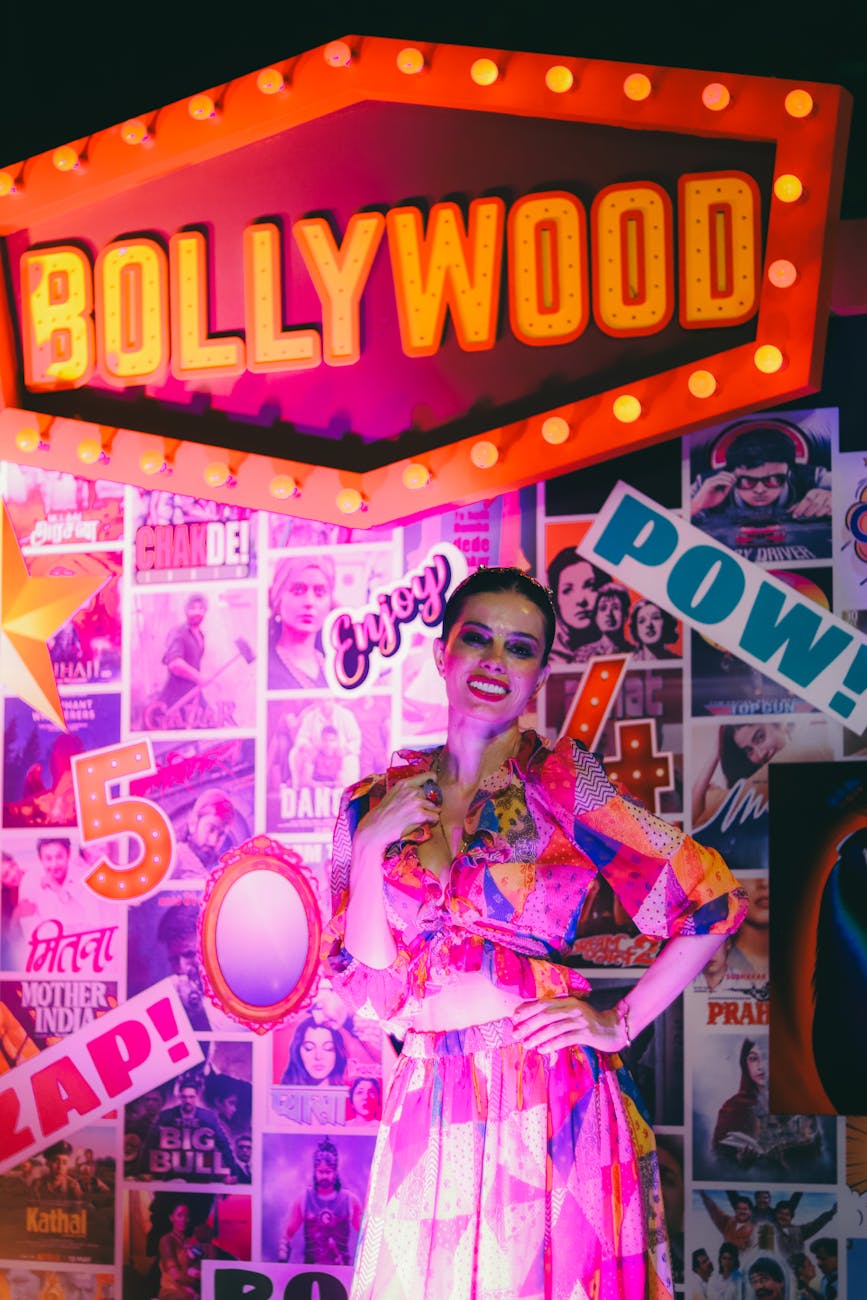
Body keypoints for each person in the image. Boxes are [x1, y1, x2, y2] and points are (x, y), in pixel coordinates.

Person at [323, 566, 746, 1298]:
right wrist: (368, 852)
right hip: (425, 1088)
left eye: (518, 648)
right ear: (441, 652)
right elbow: (365, 983)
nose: (494, 661)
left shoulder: (560, 783)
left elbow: (711, 902)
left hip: (543, 1089)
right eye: (476, 638)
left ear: (540, 673)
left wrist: (618, 1022)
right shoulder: (371, 803)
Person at [690, 422, 831, 526]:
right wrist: (696, 505)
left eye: (774, 480)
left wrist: (832, 498)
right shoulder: (705, 484)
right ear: (731, 474)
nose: (760, 490)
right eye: (747, 481)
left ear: (788, 472)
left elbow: (849, 492)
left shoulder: (814, 476)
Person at [279, 1137, 363, 1266]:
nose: (324, 1176)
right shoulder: (303, 1199)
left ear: (335, 1173)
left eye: (328, 1172)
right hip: (310, 1272)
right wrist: (282, 1261)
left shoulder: (350, 1201)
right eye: (321, 1171)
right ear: (315, 1171)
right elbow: (287, 1235)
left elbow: (366, 1236)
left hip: (342, 1272)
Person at [267, 556, 335, 689]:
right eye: (298, 590)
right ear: (278, 600)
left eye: (319, 592)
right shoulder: (265, 669)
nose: (309, 602)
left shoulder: (336, 667)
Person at [546, 547, 607, 663]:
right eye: (568, 590)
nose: (581, 600)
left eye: (590, 586)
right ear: (556, 599)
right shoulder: (546, 658)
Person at [157, 593, 209, 720]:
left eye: (200, 608)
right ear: (186, 610)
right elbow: (174, 664)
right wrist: (198, 677)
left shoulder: (200, 635)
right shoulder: (178, 632)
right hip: (176, 698)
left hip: (194, 694)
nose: (197, 612)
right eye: (193, 608)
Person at [172, 789, 237, 880]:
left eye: (221, 834)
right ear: (193, 823)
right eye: (211, 829)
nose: (213, 841)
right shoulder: (173, 859)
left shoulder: (219, 868)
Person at [280, 1017, 348, 1086]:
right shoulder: (285, 1091)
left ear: (338, 1053)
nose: (318, 1056)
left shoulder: (351, 1090)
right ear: (297, 1052)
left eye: (328, 1048)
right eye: (309, 1048)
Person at [157, 1201, 199, 1300]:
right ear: (171, 1218)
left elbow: (195, 1270)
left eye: (186, 1216)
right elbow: (175, 1275)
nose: (183, 1219)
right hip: (171, 1292)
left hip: (189, 1290)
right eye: (179, 1215)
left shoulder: (190, 1243)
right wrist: (194, 1284)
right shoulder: (166, 1240)